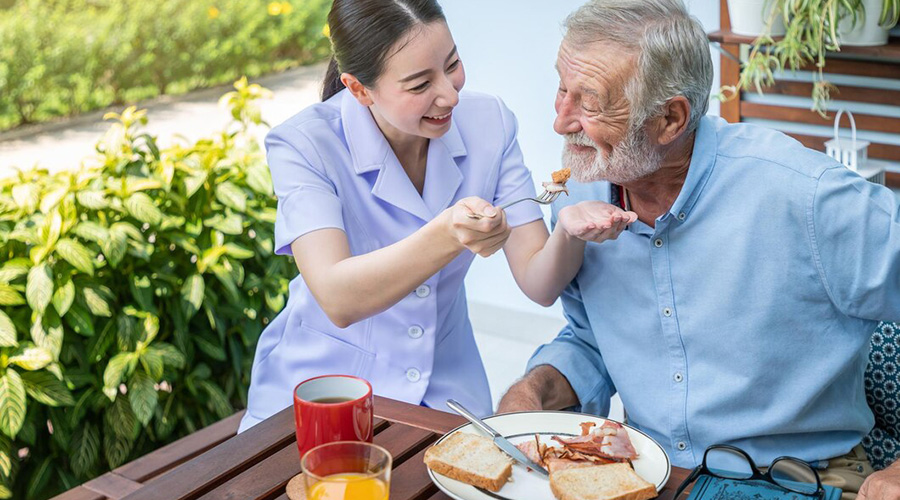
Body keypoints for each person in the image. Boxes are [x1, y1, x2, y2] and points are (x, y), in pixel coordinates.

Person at [495, 1, 900, 498]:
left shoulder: (807, 196)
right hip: (653, 476)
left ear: (670, 119)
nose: (560, 123)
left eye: (591, 102)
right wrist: (534, 389)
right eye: (562, 89)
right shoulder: (586, 193)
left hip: (801, 480)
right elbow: (595, 338)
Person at [238, 0, 637, 432]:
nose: (449, 94)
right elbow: (339, 298)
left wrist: (568, 232)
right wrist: (448, 234)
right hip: (325, 389)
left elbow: (538, 283)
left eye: (453, 64)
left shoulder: (490, 122)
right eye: (419, 84)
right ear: (359, 89)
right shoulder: (303, 144)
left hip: (445, 392)